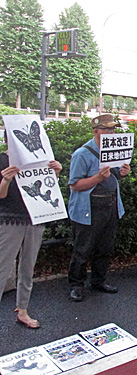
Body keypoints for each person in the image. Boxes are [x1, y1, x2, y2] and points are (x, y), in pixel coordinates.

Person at [0, 132, 62, 328]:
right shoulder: (2, 159)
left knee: (28, 266)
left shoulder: (39, 160)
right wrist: (6, 180)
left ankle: (23, 309)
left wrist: (56, 172)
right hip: (10, 219)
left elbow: (49, 187)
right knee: (2, 267)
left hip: (35, 217)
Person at [68, 114, 131, 302]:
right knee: (83, 248)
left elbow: (114, 176)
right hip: (90, 207)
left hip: (110, 205)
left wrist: (122, 173)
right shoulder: (82, 154)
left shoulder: (114, 151)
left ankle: (99, 280)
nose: (111, 133)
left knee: (105, 246)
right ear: (96, 131)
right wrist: (98, 178)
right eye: (107, 130)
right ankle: (76, 285)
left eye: (113, 130)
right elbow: (75, 185)